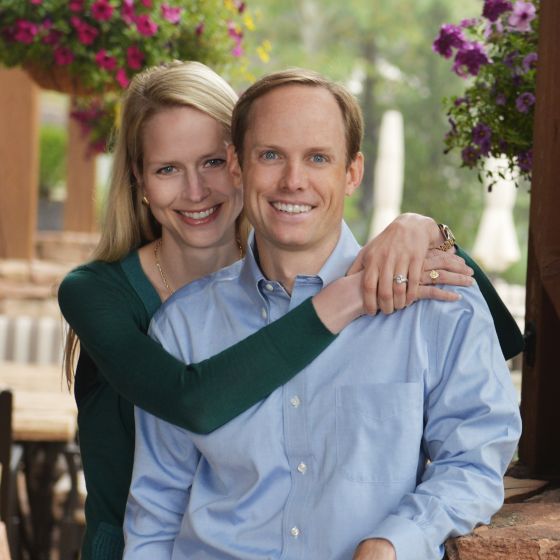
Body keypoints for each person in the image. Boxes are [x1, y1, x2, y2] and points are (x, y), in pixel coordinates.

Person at [124, 68, 522, 560]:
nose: (293, 181)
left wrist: (394, 542)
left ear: (352, 172)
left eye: (318, 158)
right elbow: (157, 509)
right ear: (236, 167)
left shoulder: (437, 305)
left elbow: (475, 460)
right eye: (271, 155)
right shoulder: (182, 326)